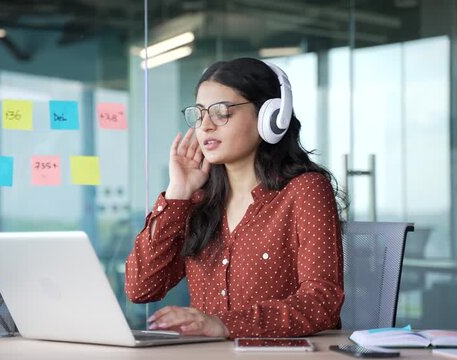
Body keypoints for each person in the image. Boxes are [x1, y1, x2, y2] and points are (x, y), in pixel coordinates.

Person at [125, 57, 344, 339]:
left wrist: (224, 324)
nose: (205, 126)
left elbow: (321, 302)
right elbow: (141, 287)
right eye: (200, 113)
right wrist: (177, 193)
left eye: (221, 112)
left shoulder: (305, 190)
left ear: (270, 117)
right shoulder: (198, 201)